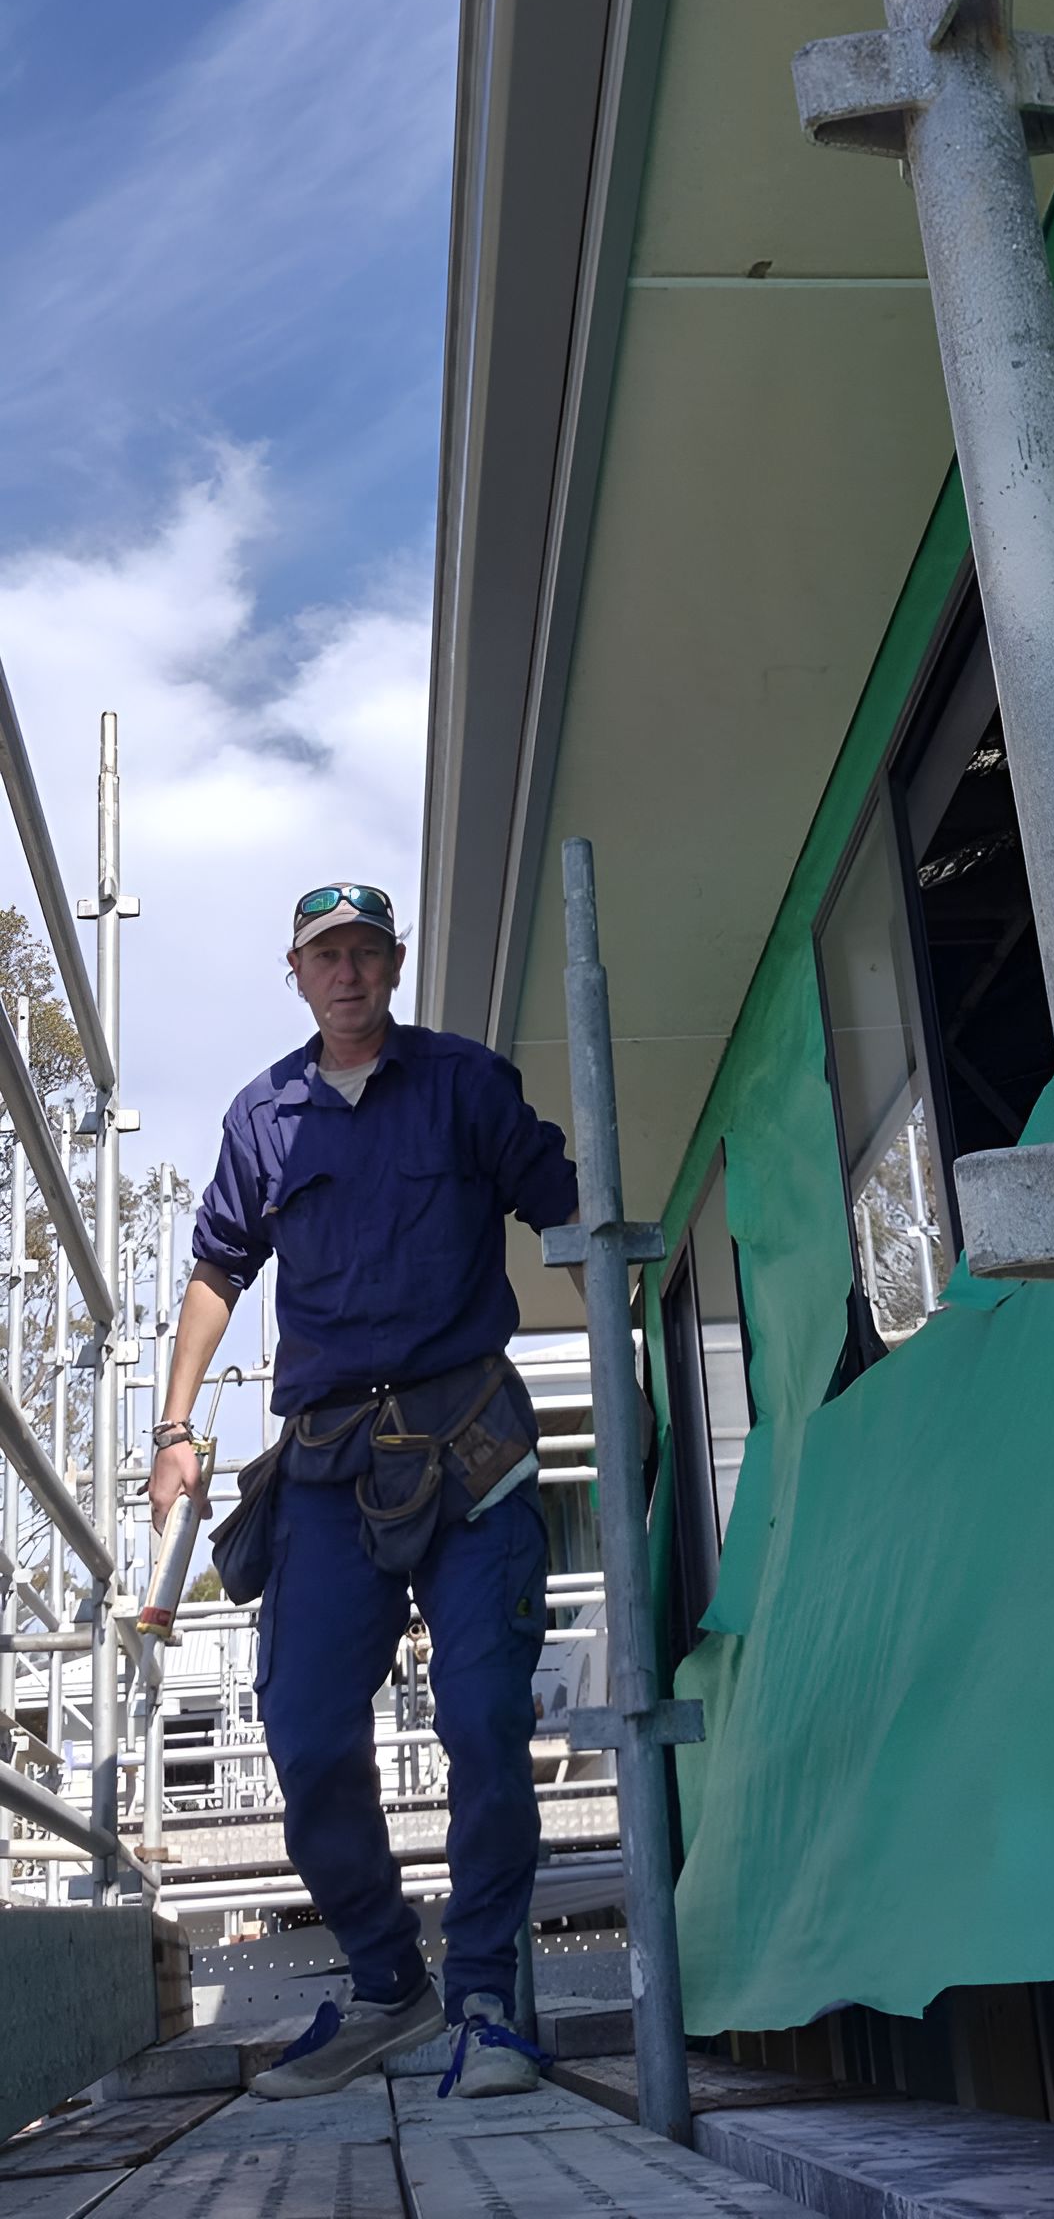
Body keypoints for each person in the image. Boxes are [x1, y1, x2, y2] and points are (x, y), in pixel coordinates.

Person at [147, 881, 579, 2100]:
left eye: (366, 953)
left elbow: (568, 1213)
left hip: (470, 1450)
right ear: (296, 973)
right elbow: (218, 1270)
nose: (347, 973)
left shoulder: (464, 1085)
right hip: (331, 1465)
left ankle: (487, 1997)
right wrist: (176, 1427)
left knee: (485, 1717)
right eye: (324, 955)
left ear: (393, 967)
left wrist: (629, 1353)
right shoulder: (264, 1114)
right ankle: (394, 1984)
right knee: (302, 1729)